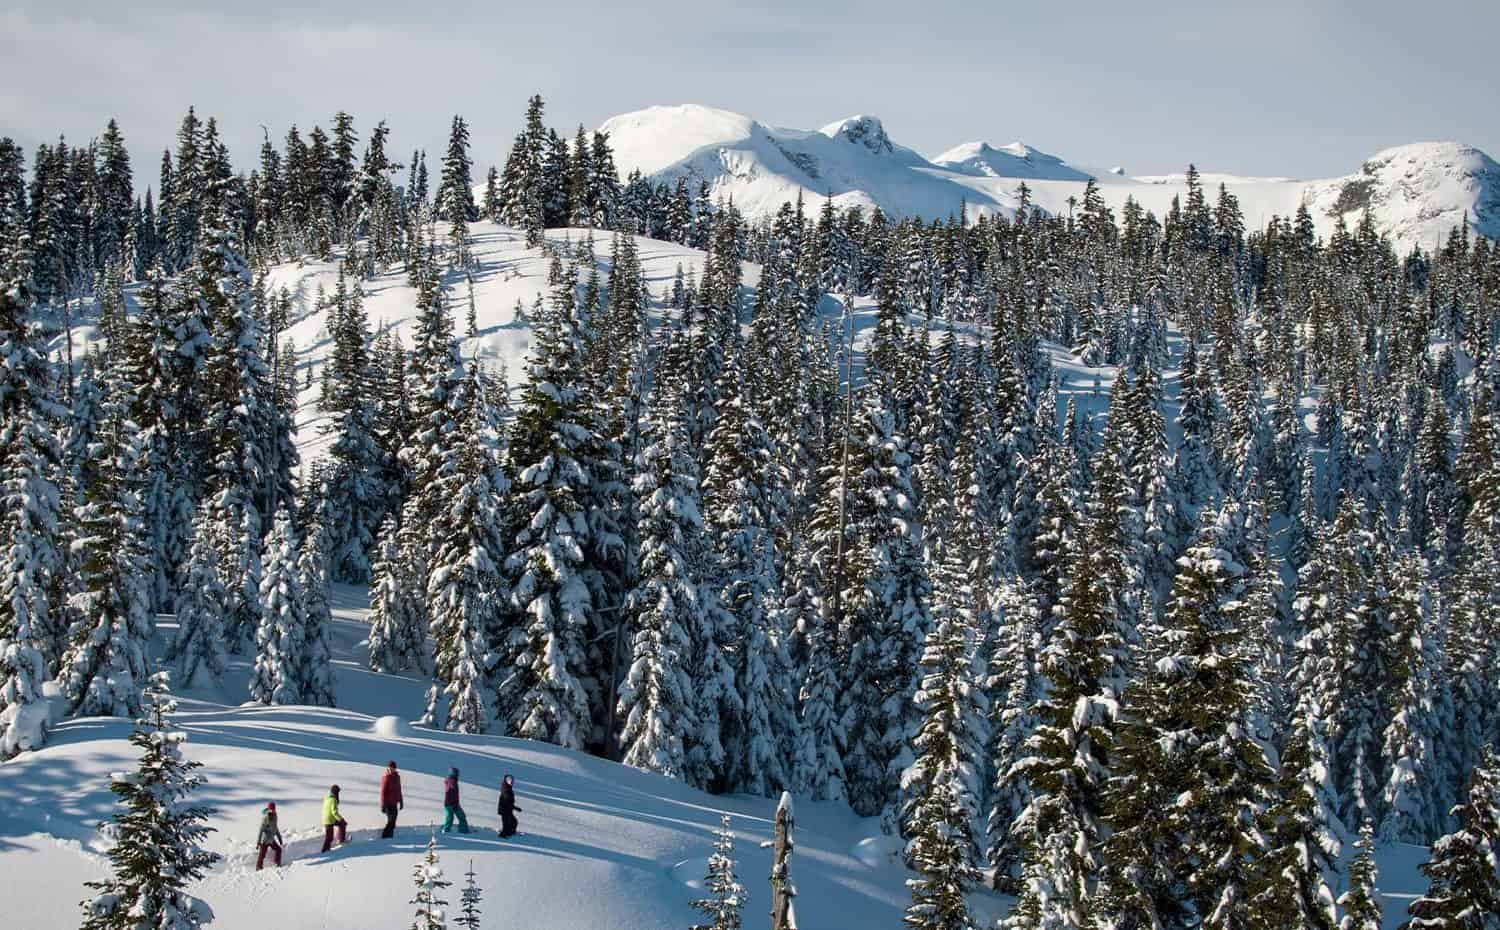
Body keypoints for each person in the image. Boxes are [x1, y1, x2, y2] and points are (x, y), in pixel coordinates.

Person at [441, 767, 470, 834]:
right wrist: (453, 804)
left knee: (458, 816)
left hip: (453, 803)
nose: (458, 775)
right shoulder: (451, 781)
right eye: (456, 773)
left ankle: (462, 830)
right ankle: (447, 830)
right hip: (451, 804)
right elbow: (450, 792)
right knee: (452, 818)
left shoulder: (452, 780)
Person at [256, 802, 283, 870]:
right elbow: (260, 830)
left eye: (274, 809)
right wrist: (258, 842)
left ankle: (277, 863)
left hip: (271, 839)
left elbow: (275, 827)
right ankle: (258, 867)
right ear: (268, 809)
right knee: (262, 854)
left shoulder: (275, 816)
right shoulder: (265, 818)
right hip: (264, 840)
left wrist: (279, 838)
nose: (273, 810)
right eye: (271, 809)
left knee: (278, 850)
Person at [379, 761, 403, 839]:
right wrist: (383, 805)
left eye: (392, 768)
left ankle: (390, 836)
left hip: (394, 803)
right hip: (388, 803)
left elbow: (399, 789)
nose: (391, 769)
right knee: (391, 821)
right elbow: (383, 792)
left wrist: (401, 801)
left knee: (393, 821)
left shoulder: (397, 777)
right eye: (390, 768)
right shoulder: (386, 777)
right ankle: (385, 836)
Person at [321, 784, 348, 851]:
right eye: (338, 792)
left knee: (342, 824)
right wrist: (341, 819)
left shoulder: (327, 798)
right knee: (329, 837)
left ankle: (340, 839)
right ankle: (324, 851)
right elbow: (334, 812)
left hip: (326, 818)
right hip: (329, 820)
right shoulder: (333, 800)